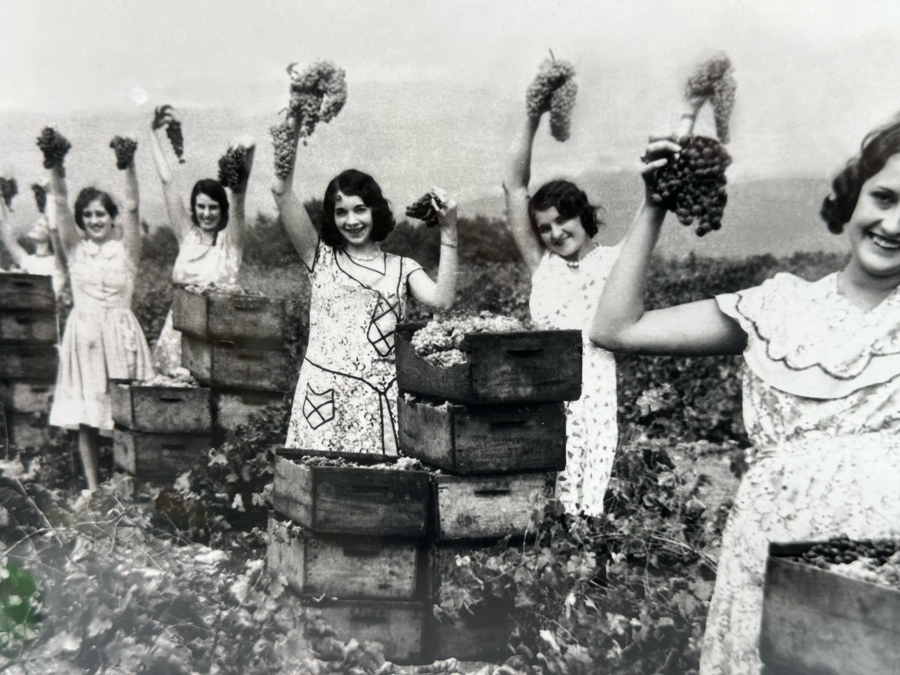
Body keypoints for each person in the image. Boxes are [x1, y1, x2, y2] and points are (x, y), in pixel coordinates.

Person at [590, 121, 900, 675]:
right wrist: (653, 207)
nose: (895, 223)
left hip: (883, 590)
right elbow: (617, 328)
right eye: (885, 196)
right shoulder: (777, 307)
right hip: (764, 564)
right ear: (853, 197)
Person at [272, 135, 458, 456]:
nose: (352, 220)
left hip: (380, 405)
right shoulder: (319, 257)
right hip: (324, 401)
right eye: (341, 212)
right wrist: (296, 121)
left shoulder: (403, 268)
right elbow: (281, 190)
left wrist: (450, 229)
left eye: (360, 209)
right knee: (321, 490)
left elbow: (442, 299)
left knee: (374, 495)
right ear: (331, 217)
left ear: (376, 212)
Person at [503, 100, 622, 517]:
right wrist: (534, 113)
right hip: (545, 396)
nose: (554, 233)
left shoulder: (615, 262)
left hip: (597, 397)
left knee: (588, 505)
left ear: (582, 215)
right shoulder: (543, 265)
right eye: (544, 227)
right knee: (541, 504)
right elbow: (514, 187)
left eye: (562, 221)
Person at [47, 139, 154, 491]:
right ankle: (94, 490)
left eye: (101, 213)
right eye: (89, 214)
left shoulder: (126, 253)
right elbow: (60, 206)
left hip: (121, 336)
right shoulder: (75, 252)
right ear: (82, 220)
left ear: (111, 217)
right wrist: (56, 164)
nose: (95, 220)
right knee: (87, 419)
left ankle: (127, 486)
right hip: (86, 338)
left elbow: (135, 208)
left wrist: (129, 165)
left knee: (125, 416)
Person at [149, 107, 254, 375]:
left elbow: (239, 197)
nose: (206, 214)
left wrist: (246, 156)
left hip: (217, 336)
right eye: (201, 207)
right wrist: (153, 134)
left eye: (213, 208)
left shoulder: (230, 243)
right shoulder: (187, 236)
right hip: (177, 335)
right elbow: (167, 182)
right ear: (194, 209)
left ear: (221, 210)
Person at [0, 180, 66, 297]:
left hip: (46, 313)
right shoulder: (29, 261)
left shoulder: (56, 262)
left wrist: (50, 194)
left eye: (40, 225)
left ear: (49, 234)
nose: (34, 225)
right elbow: (6, 234)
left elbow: (54, 229)